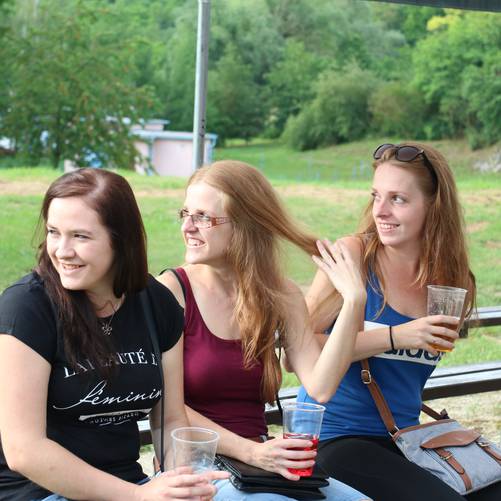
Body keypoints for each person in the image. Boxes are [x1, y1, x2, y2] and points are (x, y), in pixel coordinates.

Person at [0, 168, 227, 501]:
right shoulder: (28, 307)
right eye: (53, 232)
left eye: (80, 236)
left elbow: (169, 420)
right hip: (39, 492)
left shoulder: (156, 303)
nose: (62, 250)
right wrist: (138, 496)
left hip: (128, 485)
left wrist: (180, 485)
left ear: (121, 240)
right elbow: (24, 451)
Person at [296, 142, 501, 500]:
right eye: (376, 196)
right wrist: (396, 336)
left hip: (405, 439)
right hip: (332, 436)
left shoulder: (452, 280)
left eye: (398, 199)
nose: (381, 210)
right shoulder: (353, 256)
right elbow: (300, 347)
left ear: (434, 206)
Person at [157, 160, 371, 501]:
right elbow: (167, 410)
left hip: (260, 465)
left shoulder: (280, 294)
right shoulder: (171, 292)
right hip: (198, 466)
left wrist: (354, 300)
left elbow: (320, 387)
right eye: (185, 213)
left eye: (203, 217)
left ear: (245, 225)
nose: (187, 227)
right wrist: (253, 452)